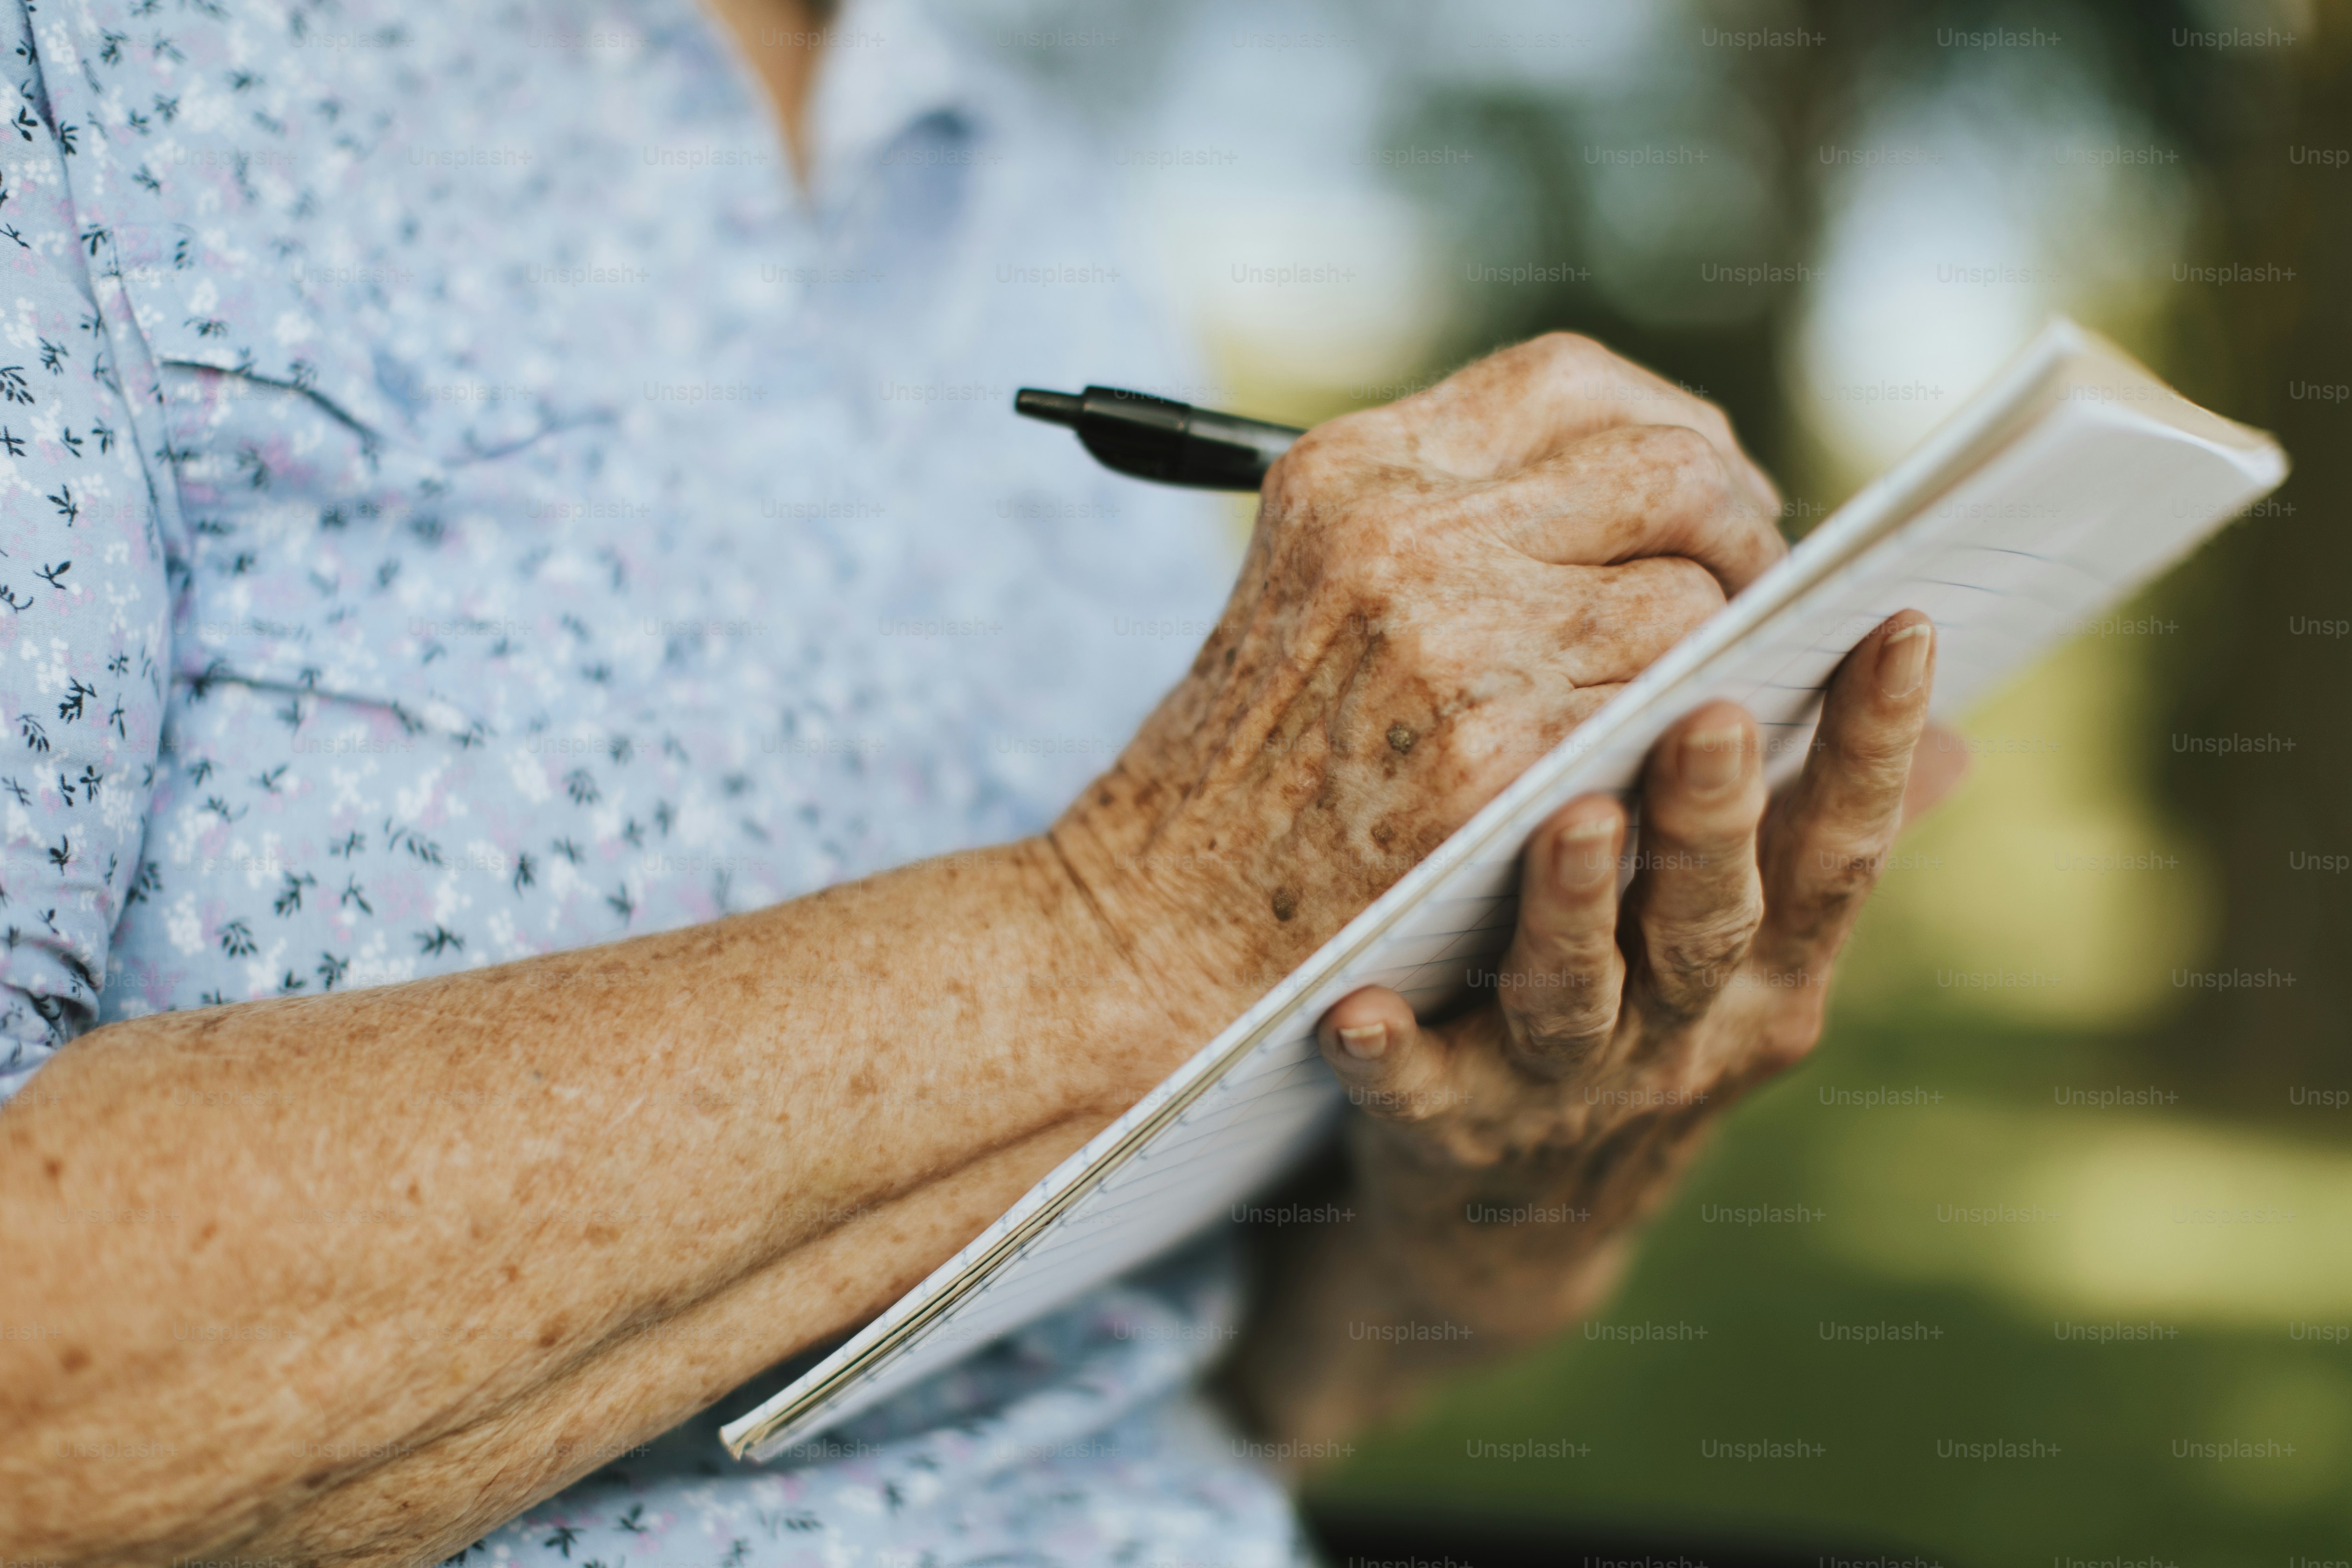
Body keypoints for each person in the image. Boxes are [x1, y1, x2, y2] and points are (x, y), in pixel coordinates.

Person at [0, 0, 1960, 1563]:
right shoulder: (95, 76)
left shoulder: (1042, 202)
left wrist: (1527, 1171)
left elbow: (1273, 1377)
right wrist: (1136, 924)